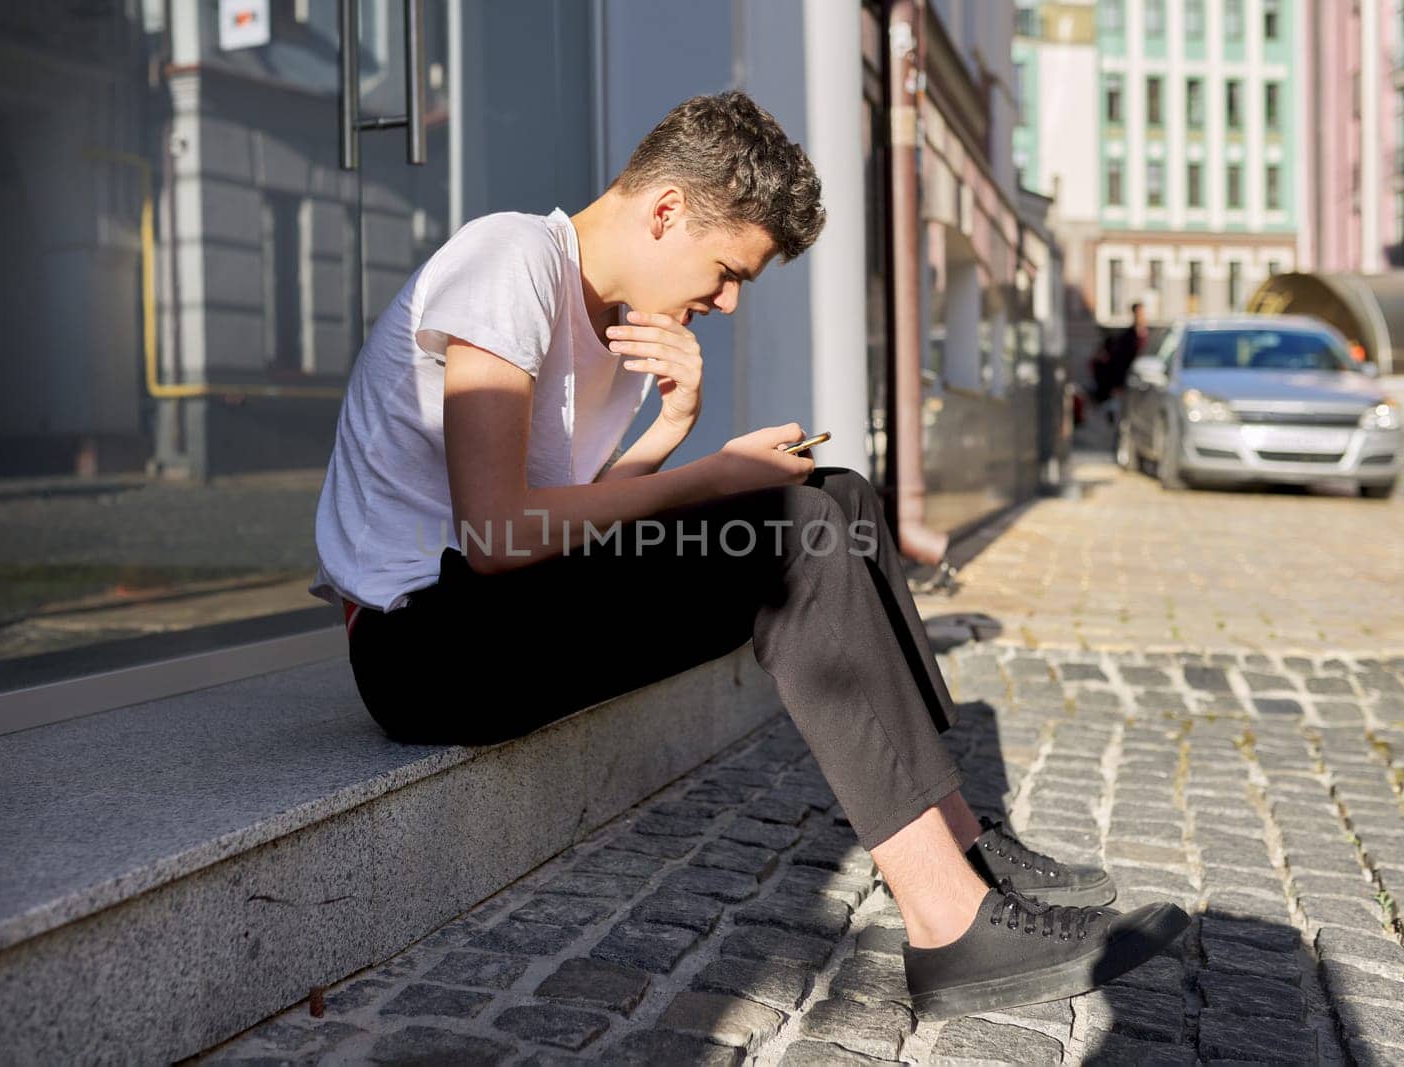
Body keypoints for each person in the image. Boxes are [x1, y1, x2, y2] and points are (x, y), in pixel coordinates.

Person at [311, 91, 1187, 1020]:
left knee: (838, 497)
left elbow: (563, 523)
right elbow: (493, 538)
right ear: (665, 211)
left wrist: (673, 430)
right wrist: (710, 474)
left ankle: (963, 845)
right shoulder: (509, 260)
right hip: (421, 647)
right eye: (730, 271)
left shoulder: (612, 317)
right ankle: (949, 925)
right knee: (799, 535)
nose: (726, 303)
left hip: (489, 610)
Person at [1091, 301, 1149, 418]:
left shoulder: (1151, 335)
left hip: (1147, 382)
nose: (1141, 316)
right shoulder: (1127, 338)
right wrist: (1118, 384)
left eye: (1143, 313)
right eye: (1139, 313)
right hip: (1130, 382)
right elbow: (1120, 362)